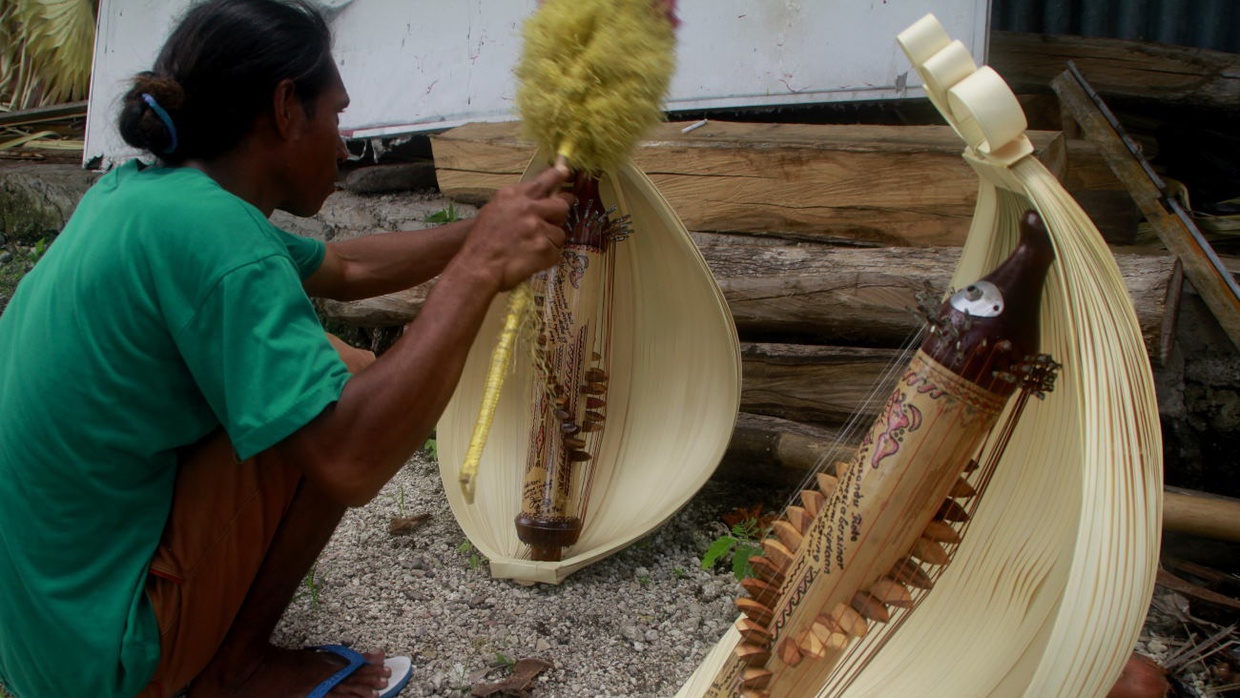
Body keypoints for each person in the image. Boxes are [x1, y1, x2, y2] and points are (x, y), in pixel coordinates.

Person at [0, 0, 570, 696]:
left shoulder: (145, 196)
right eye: (335, 114)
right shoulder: (216, 238)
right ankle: (234, 668)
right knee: (333, 386)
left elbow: (349, 268)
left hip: (45, 635)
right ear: (283, 109)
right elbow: (351, 461)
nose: (344, 143)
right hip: (106, 665)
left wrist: (487, 225)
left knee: (316, 370)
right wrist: (479, 268)